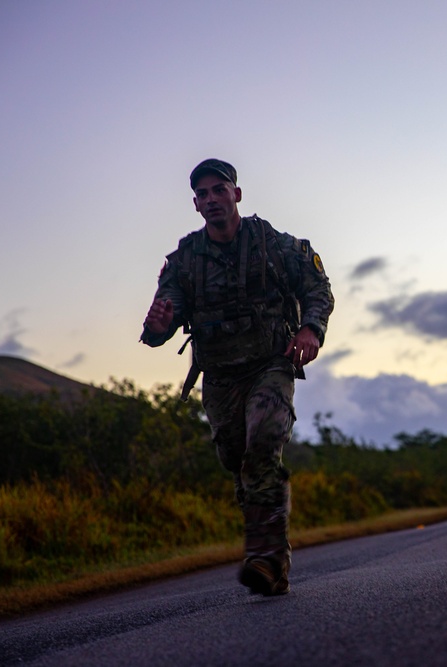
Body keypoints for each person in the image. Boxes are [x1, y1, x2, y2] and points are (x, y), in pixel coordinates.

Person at [140, 158, 334, 596]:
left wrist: (311, 328)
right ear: (195, 204)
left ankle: (265, 559)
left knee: (263, 444)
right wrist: (157, 324)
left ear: (236, 195)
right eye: (202, 194)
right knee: (238, 460)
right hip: (221, 377)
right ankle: (270, 557)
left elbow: (318, 289)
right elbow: (162, 321)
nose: (211, 199)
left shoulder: (273, 244)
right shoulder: (185, 261)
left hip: (271, 364)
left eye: (219, 190)